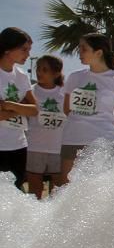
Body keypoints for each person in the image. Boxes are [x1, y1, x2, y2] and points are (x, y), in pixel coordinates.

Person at [60, 32, 114, 183]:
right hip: (72, 138)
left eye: (83, 49)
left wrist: (102, 124)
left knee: (96, 188)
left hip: (100, 142)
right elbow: (66, 110)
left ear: (98, 52)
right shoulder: (74, 77)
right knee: (66, 188)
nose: (79, 53)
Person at [0, 27, 37, 190]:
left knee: (15, 196)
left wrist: (10, 105)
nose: (28, 54)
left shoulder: (22, 76)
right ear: (8, 49)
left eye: (29, 50)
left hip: (19, 146)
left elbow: (35, 109)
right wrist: (22, 108)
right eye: (24, 49)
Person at [25, 54, 67, 198]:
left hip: (58, 148)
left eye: (44, 69)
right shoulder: (30, 91)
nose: (39, 72)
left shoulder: (65, 93)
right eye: (38, 68)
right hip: (34, 147)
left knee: (58, 193)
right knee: (34, 192)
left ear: (56, 73)